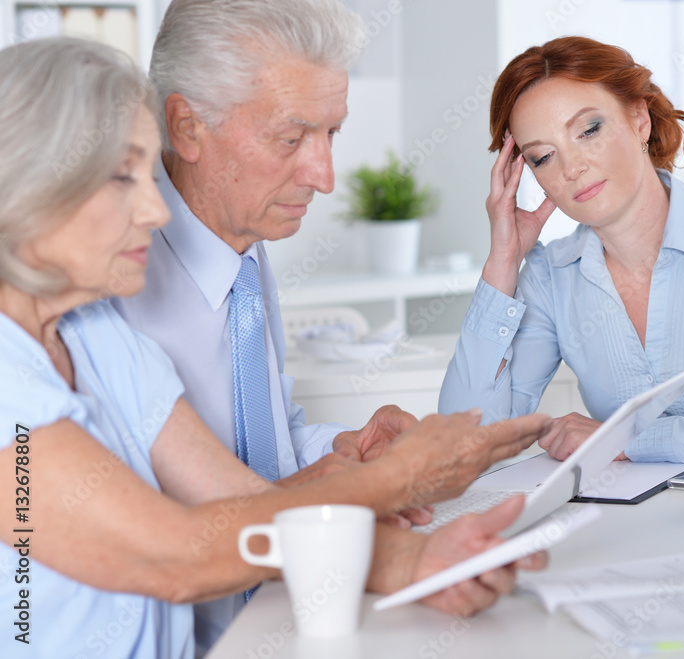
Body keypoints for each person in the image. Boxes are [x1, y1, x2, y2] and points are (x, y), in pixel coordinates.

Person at [0, 38, 548, 659]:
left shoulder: (95, 333)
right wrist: (400, 478)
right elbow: (175, 555)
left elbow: (242, 504)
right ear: (27, 185)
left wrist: (415, 560)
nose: (156, 210)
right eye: (123, 176)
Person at [112, 0, 448, 649]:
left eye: (332, 136)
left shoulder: (244, 244)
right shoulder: (109, 277)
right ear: (186, 126)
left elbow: (265, 442)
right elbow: (140, 536)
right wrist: (360, 490)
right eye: (291, 139)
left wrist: (345, 451)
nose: (323, 176)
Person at [439, 36, 684, 467]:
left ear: (639, 119)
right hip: (622, 529)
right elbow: (468, 445)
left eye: (589, 130)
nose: (571, 168)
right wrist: (503, 261)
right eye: (543, 157)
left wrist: (624, 440)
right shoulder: (551, 277)